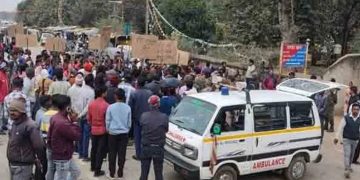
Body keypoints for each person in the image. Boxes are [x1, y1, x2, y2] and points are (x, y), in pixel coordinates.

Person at [7, 98, 45, 180]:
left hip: (23, 166)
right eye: (10, 110)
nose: (12, 113)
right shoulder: (15, 123)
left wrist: (39, 160)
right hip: (13, 163)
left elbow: (38, 146)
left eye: (15, 110)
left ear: (22, 111)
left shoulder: (30, 126)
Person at [47, 95, 81, 180]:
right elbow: (76, 135)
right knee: (62, 177)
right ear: (67, 107)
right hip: (62, 154)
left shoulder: (56, 117)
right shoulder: (62, 122)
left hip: (61, 152)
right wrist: (75, 121)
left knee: (76, 171)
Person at [139, 95, 169, 180]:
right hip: (158, 148)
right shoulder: (164, 117)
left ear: (149, 104)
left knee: (144, 173)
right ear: (158, 104)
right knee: (159, 173)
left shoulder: (143, 116)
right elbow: (166, 130)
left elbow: (142, 126)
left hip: (146, 147)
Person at [105, 88, 131, 178]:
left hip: (113, 133)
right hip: (124, 133)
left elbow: (107, 120)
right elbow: (129, 123)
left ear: (115, 96)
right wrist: (126, 129)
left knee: (112, 153)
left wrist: (108, 129)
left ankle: (112, 173)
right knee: (122, 153)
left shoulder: (111, 107)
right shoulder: (128, 107)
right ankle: (120, 172)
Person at [334, 103, 360, 178]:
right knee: (347, 154)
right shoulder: (346, 118)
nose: (356, 111)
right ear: (351, 110)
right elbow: (340, 128)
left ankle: (349, 166)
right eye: (354, 109)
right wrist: (336, 137)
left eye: (357, 110)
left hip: (355, 140)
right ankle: (346, 170)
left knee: (352, 156)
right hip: (346, 139)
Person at [129, 76, 152, 160]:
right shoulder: (150, 93)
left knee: (137, 137)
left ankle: (139, 154)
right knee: (146, 137)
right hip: (147, 118)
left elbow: (130, 107)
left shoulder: (134, 93)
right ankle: (146, 153)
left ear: (137, 84)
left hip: (137, 118)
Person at [88, 85, 109, 177]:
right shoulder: (106, 105)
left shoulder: (91, 104)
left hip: (93, 128)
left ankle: (92, 166)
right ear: (103, 93)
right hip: (102, 129)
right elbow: (107, 119)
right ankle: (97, 169)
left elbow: (89, 118)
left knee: (94, 148)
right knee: (100, 150)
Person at [77, 74, 95, 161]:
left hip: (79, 114)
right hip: (85, 116)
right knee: (86, 136)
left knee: (80, 135)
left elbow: (77, 103)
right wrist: (81, 114)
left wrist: (78, 114)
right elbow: (89, 106)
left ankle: (80, 153)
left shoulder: (80, 90)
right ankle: (84, 154)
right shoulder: (91, 92)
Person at [0, 54, 9, 134]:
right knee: (0, 113)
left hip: (5, 97)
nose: (7, 68)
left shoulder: (5, 75)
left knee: (4, 113)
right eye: (6, 67)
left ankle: (3, 125)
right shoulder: (0, 75)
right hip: (1, 98)